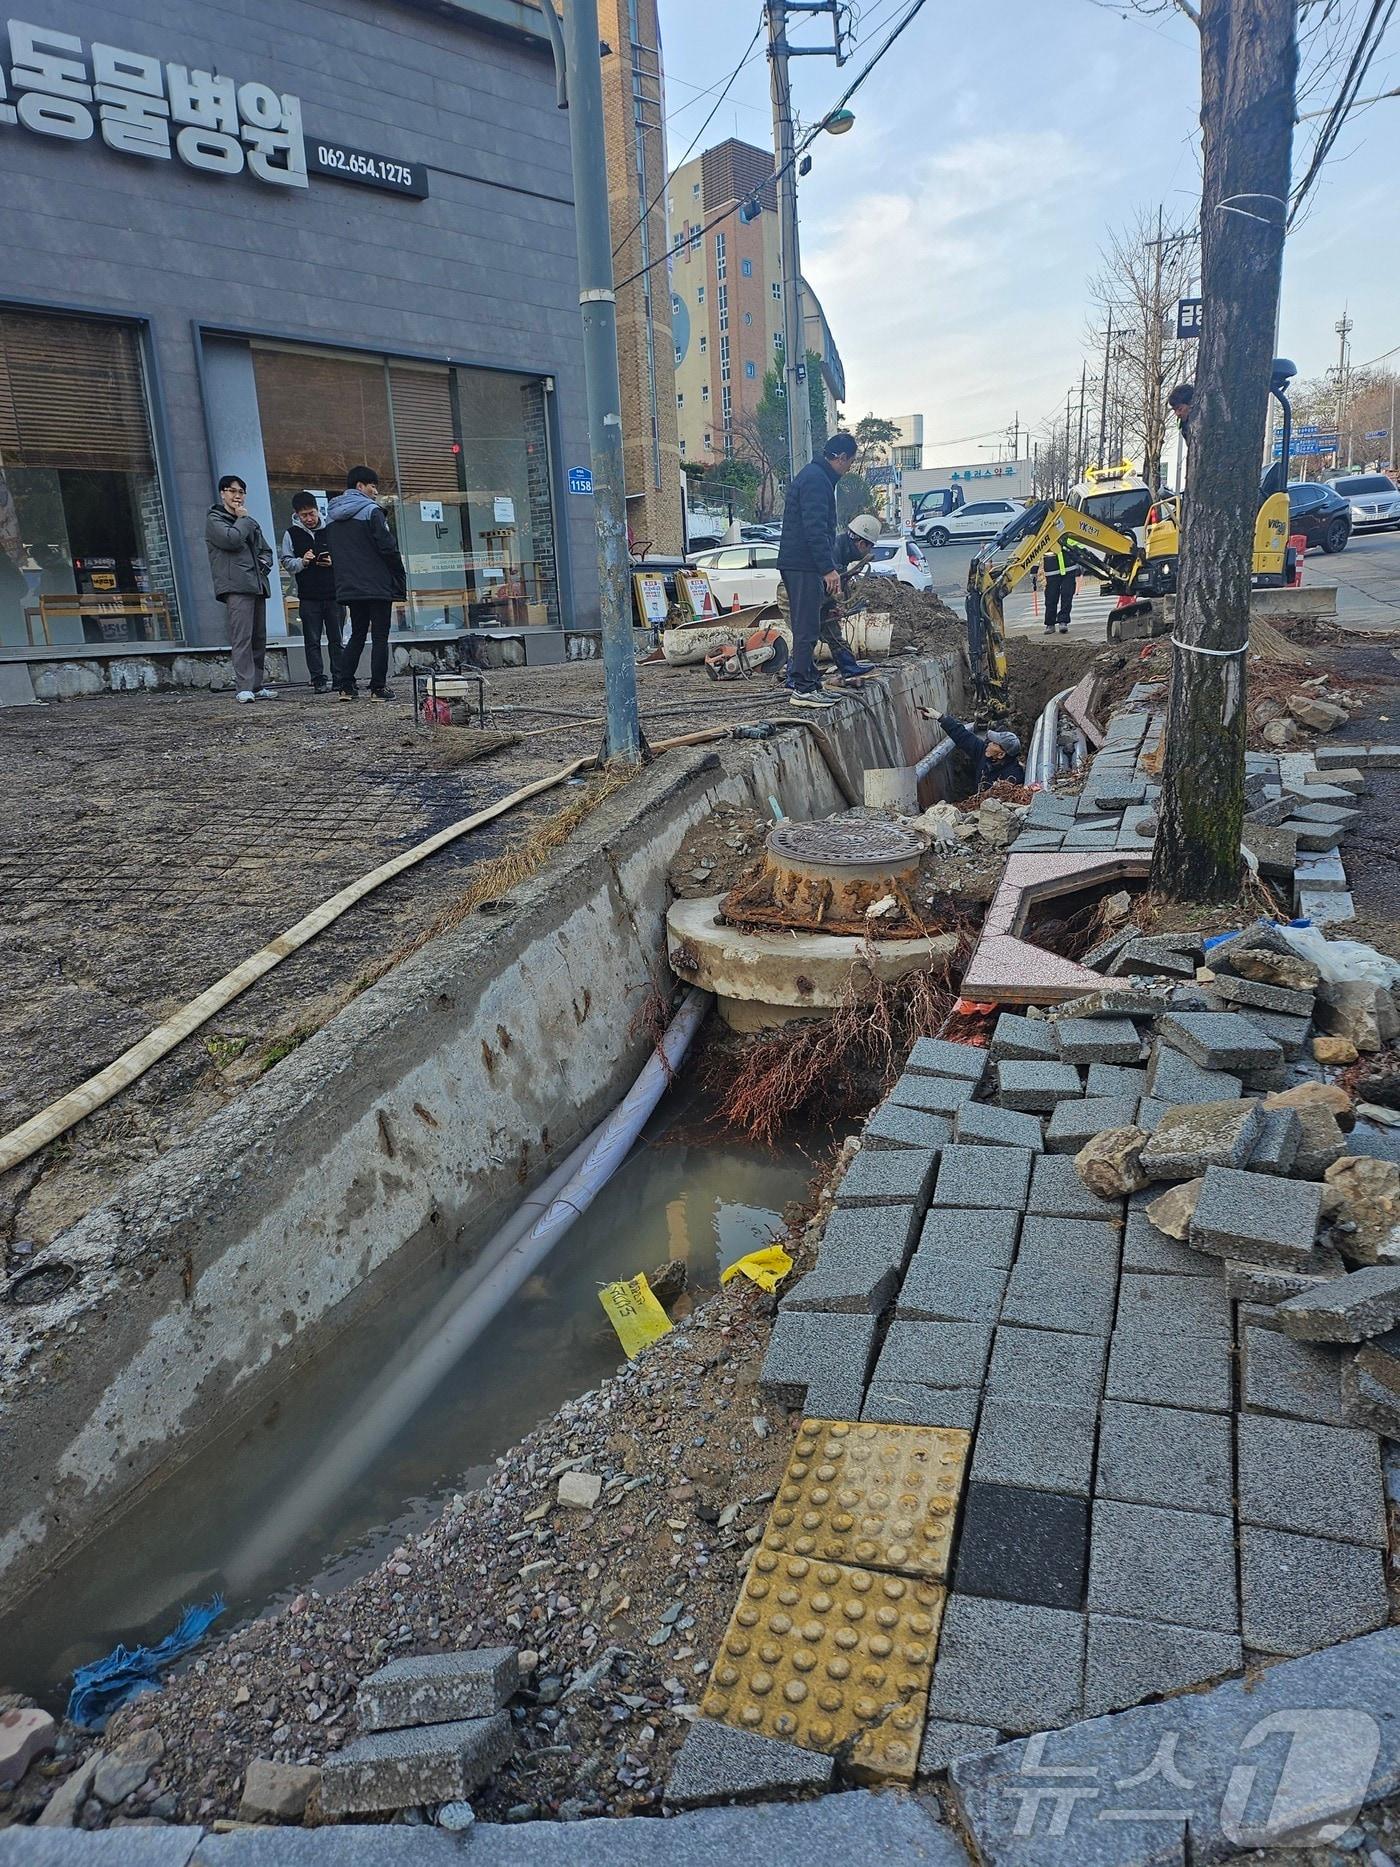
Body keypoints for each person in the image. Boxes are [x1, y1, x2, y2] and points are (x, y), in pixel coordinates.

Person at [777, 431, 858, 709]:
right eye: (850, 462)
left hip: (802, 563)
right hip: (802, 564)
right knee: (806, 629)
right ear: (841, 457)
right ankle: (802, 688)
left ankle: (810, 684)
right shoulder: (816, 480)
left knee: (809, 626)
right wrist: (827, 569)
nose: (849, 469)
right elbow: (815, 529)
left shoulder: (817, 477)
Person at [325, 466, 406, 701]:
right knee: (380, 636)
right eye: (372, 486)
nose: (375, 491)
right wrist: (397, 573)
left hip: (349, 585)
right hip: (377, 583)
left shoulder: (331, 516)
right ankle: (378, 688)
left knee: (357, 634)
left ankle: (346, 686)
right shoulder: (372, 511)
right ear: (360, 486)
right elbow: (388, 547)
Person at [205, 474, 275, 704]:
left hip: (256, 584)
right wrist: (242, 519)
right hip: (236, 585)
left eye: (241, 492)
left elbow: (266, 550)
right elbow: (231, 540)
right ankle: (244, 687)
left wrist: (264, 565)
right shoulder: (215, 519)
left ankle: (256, 685)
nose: (238, 496)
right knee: (242, 637)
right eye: (232, 491)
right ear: (222, 493)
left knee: (258, 637)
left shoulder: (249, 521)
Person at [280, 493, 343, 694]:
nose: (309, 518)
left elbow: (345, 556)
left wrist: (333, 561)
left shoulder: (331, 529)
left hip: (334, 594)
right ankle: (318, 679)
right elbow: (286, 561)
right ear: (296, 515)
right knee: (312, 641)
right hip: (308, 596)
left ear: (318, 510)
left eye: (311, 513)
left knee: (336, 639)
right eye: (304, 515)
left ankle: (340, 678)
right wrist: (303, 561)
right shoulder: (291, 534)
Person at [937, 714, 1025, 788]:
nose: (989, 744)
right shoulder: (984, 753)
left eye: (994, 744)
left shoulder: (1012, 777)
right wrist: (942, 718)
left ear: (1001, 755)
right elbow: (964, 737)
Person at [1042, 538, 1080, 635]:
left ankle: (1063, 621)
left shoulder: (1067, 532)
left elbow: (1077, 545)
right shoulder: (1045, 534)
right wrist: (1034, 569)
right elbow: (1037, 551)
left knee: (1067, 595)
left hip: (1069, 567)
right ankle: (1050, 623)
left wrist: (1078, 562)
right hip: (1052, 569)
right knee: (1051, 597)